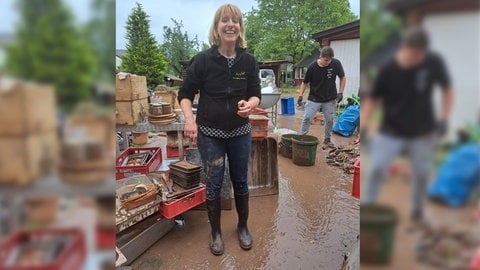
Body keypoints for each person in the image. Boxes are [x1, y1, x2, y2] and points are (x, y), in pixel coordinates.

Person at [178, 4, 261, 256]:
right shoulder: (203, 60)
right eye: (224, 20)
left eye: (235, 21)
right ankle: (215, 232)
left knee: (241, 181)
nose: (230, 24)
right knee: (213, 183)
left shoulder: (248, 60)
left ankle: (243, 226)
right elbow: (185, 94)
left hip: (239, 133)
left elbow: (255, 94)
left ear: (240, 28)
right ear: (217, 28)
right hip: (210, 134)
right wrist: (189, 120)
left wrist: (251, 105)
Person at [361, 27, 453, 221]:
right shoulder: (388, 69)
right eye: (413, 54)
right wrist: (364, 125)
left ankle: (417, 210)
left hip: (423, 131)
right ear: (404, 48)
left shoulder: (433, 62)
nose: (417, 59)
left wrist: (444, 119)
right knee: (377, 168)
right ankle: (368, 208)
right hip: (391, 131)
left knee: (421, 173)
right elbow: (372, 100)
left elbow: (448, 89)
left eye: (421, 55)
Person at [298, 46, 346, 149]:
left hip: (330, 98)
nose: (328, 62)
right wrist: (300, 95)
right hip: (314, 98)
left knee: (329, 120)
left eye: (329, 60)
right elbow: (305, 82)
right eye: (326, 60)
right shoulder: (312, 67)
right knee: (307, 117)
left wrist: (341, 93)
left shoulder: (336, 63)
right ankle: (302, 138)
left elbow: (342, 77)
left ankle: (327, 140)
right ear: (320, 56)